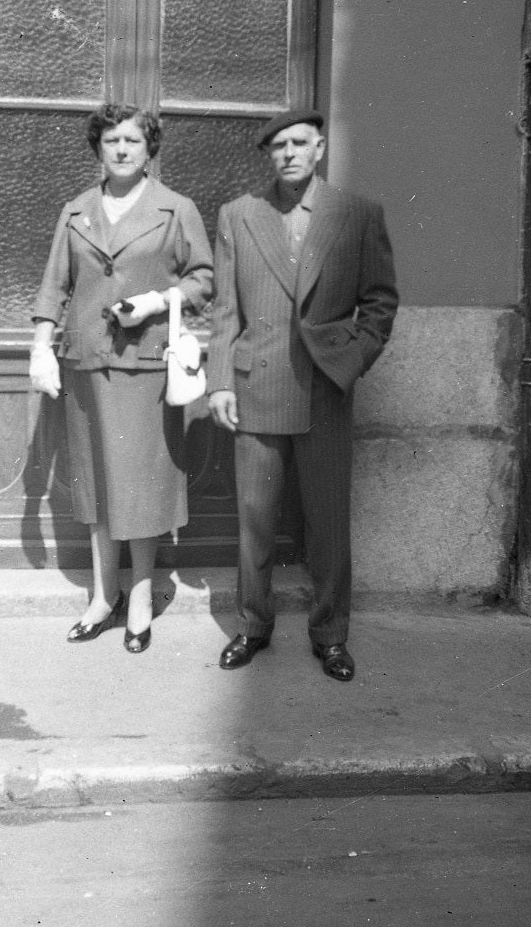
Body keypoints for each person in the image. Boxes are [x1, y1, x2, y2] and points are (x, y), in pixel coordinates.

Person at [206, 107, 398, 681]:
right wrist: (219, 381)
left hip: (324, 388)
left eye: (299, 143)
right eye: (278, 146)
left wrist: (350, 358)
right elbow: (224, 310)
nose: (288, 153)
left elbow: (381, 303)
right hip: (257, 383)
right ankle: (253, 626)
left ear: (319, 150)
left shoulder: (357, 214)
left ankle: (331, 635)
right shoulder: (240, 215)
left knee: (327, 521)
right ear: (270, 155)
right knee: (255, 519)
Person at [29, 104, 213, 653]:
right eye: (111, 140)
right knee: (97, 487)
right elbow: (54, 286)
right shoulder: (76, 211)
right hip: (87, 365)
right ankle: (102, 598)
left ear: (149, 147)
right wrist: (42, 346)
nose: (122, 149)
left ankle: (139, 600)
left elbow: (204, 279)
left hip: (145, 369)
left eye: (133, 139)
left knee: (141, 491)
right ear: (98, 148)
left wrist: (159, 300)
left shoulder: (176, 209)